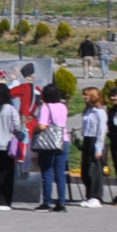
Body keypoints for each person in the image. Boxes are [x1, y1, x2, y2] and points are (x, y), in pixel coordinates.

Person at [30, 81, 72, 212]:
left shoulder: (46, 107)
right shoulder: (63, 106)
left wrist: (34, 130)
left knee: (47, 172)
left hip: (49, 142)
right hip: (63, 140)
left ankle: (47, 202)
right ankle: (61, 202)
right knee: (60, 174)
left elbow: (43, 125)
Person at [78, 87, 108, 207]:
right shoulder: (88, 110)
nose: (84, 97)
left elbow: (102, 130)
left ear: (93, 96)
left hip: (95, 140)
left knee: (94, 170)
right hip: (87, 139)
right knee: (85, 171)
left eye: (86, 95)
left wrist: (98, 148)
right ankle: (89, 195)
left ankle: (97, 197)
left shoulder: (100, 112)